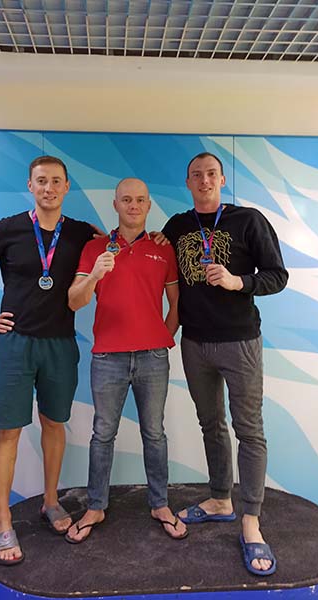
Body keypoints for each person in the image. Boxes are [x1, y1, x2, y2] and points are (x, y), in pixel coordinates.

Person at [0, 155, 96, 565]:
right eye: (41, 181)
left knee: (54, 424)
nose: (49, 188)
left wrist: (155, 238)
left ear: (66, 187)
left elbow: (119, 243)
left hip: (60, 344)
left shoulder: (81, 233)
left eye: (56, 181)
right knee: (8, 432)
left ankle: (51, 501)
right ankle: (3, 522)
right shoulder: (8, 229)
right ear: (30, 186)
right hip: (15, 344)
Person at [162, 152, 288, 576]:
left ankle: (250, 520)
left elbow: (278, 275)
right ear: (188, 182)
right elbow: (152, 254)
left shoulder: (247, 220)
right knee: (211, 424)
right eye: (196, 175)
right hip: (195, 343)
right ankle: (220, 499)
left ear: (221, 179)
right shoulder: (177, 226)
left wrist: (239, 282)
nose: (204, 180)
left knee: (249, 430)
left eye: (211, 174)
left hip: (240, 342)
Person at [65, 177, 188, 543]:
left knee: (155, 433)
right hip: (108, 357)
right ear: (115, 204)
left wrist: (163, 339)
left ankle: (160, 504)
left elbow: (176, 304)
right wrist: (95, 275)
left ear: (148, 205)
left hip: (153, 357)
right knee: (103, 434)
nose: (133, 206)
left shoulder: (163, 249)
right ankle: (95, 506)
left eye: (140, 200)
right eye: (126, 200)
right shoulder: (95, 248)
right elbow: (74, 301)